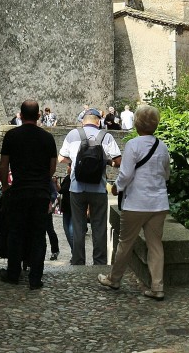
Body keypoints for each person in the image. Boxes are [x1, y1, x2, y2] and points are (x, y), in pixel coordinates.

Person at [98, 105, 170, 300]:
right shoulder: (162, 146)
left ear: (137, 124)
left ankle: (114, 278)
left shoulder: (133, 145)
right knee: (156, 245)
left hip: (136, 203)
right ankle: (157, 287)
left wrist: (116, 187)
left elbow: (126, 173)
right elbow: (166, 174)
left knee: (125, 243)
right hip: (158, 203)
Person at [0, 100, 57, 290]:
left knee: (16, 232)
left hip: (19, 190)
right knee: (39, 235)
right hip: (40, 193)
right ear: (39, 116)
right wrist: (41, 181)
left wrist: (6, 186)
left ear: (20, 116)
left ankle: (13, 274)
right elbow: (52, 167)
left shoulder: (11, 136)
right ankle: (35, 278)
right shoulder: (48, 138)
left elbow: (3, 165)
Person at [59, 109, 121, 266]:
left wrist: (74, 161)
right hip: (99, 188)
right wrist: (105, 161)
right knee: (99, 227)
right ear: (98, 121)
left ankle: (78, 261)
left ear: (83, 121)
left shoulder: (73, 134)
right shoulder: (106, 136)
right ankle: (99, 262)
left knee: (78, 227)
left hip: (76, 188)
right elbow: (118, 161)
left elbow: (61, 158)